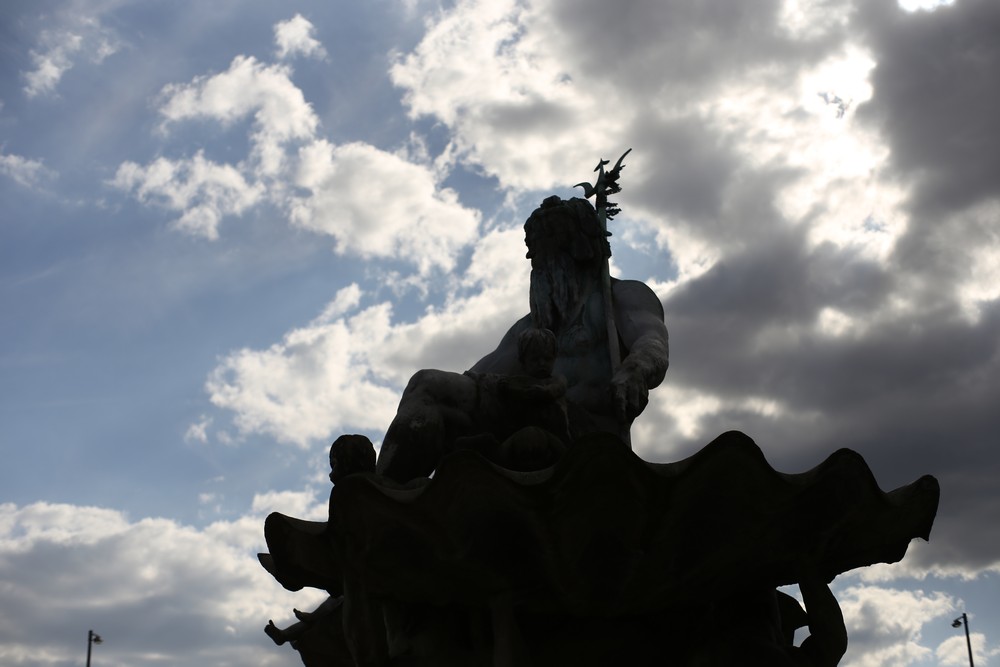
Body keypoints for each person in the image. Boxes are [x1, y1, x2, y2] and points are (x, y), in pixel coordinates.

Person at [376, 196, 669, 483]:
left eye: (548, 248)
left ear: (579, 248)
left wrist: (636, 369)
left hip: (587, 433)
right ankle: (387, 493)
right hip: (534, 414)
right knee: (428, 385)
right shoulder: (529, 327)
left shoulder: (618, 297)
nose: (536, 261)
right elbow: (479, 379)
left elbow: (652, 340)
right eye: (534, 251)